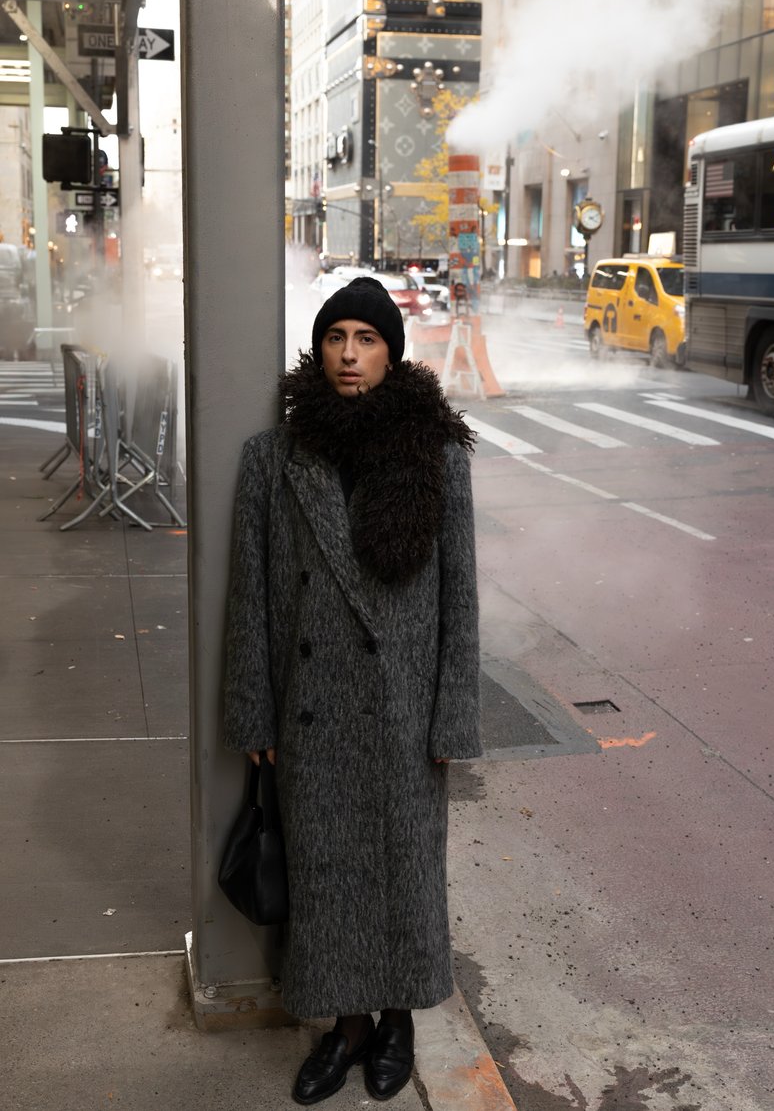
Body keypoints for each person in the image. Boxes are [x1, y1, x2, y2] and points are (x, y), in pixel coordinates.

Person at [223, 276, 482, 1105]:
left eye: (367, 338)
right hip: (312, 711)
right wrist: (252, 708)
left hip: (402, 710)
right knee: (327, 876)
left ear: (391, 352)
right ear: (318, 347)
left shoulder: (436, 455)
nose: (349, 354)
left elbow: (460, 599)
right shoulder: (275, 457)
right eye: (336, 336)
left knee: (405, 871)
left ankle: (399, 1017)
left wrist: (453, 713)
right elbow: (252, 595)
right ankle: (347, 1028)